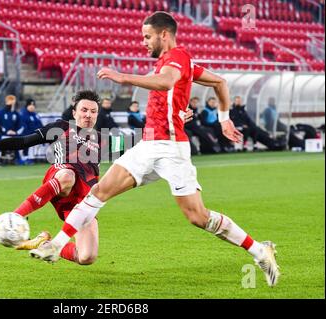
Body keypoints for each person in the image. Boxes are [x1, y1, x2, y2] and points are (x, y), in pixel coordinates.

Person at [30, 11, 280, 287]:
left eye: (147, 36)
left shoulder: (177, 58)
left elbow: (166, 82)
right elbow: (219, 82)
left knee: (197, 216)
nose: (144, 42)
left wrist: (123, 77)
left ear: (164, 35)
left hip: (172, 150)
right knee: (98, 192)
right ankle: (56, 245)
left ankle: (260, 250)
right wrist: (222, 119)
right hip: (149, 145)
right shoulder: (172, 62)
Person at [0, 90, 108, 265]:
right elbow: (23, 142)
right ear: (74, 113)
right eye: (84, 110)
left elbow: (135, 148)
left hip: (82, 201)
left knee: (86, 257)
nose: (88, 115)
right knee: (68, 175)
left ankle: (43, 242)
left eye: (93, 111)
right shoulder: (61, 128)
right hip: (61, 179)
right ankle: (12, 217)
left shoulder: (103, 140)